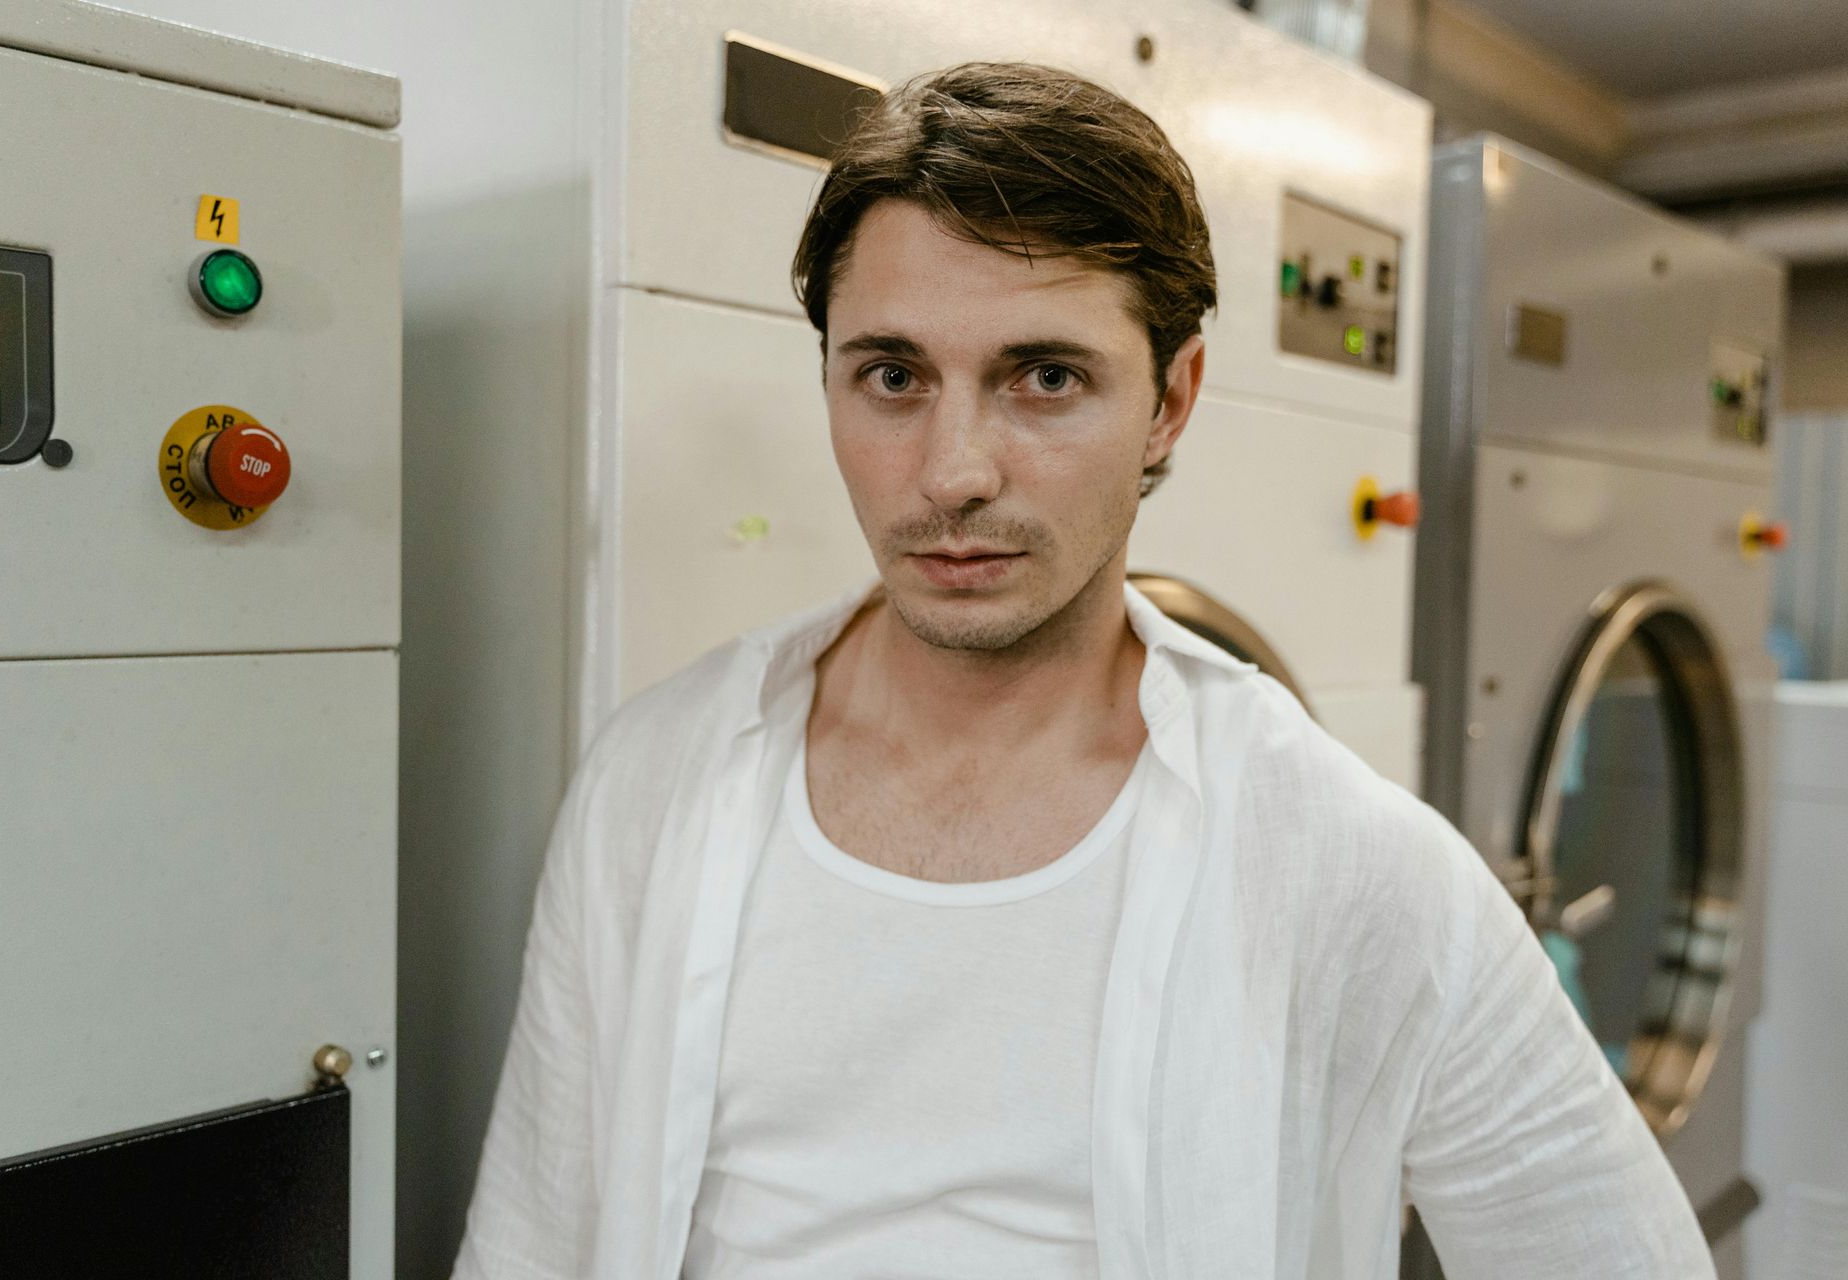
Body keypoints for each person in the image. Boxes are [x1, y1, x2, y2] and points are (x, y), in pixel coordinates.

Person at [452, 62, 1713, 1280]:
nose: (954, 471)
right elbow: (532, 1239)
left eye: (1043, 378)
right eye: (892, 376)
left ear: (1171, 400)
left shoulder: (1346, 865)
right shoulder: (654, 782)